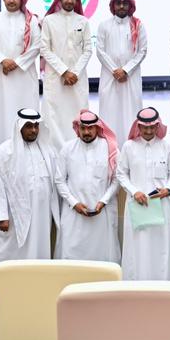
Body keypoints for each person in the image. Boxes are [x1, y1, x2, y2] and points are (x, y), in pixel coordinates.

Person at [117, 107, 170, 281]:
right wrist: (134, 191)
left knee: (162, 248)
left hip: (162, 205)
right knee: (138, 248)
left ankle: (164, 286)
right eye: (145, 127)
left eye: (152, 127)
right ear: (138, 126)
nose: (148, 131)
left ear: (157, 126)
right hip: (137, 205)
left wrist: (168, 189)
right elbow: (121, 174)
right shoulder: (129, 146)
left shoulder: (167, 146)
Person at [0, 107, 60, 262]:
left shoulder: (48, 151)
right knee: (16, 253)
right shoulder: (4, 152)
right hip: (15, 214)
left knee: (40, 249)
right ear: (19, 127)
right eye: (28, 126)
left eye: (36, 126)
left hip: (42, 214)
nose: (33, 130)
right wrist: (2, 216)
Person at [55, 109, 120, 263]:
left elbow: (117, 180)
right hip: (73, 214)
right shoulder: (67, 148)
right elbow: (59, 180)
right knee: (71, 255)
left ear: (97, 127)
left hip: (101, 213)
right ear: (78, 128)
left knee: (102, 256)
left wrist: (103, 201)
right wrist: (74, 203)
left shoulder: (110, 149)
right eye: (83, 128)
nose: (86, 132)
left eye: (90, 128)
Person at [0, 0, 43, 145]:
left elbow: (37, 45)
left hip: (24, 76)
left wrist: (17, 63)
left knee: (24, 108)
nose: (11, 0)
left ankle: (26, 144)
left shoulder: (31, 20)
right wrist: (2, 60)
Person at [39, 0, 94, 144]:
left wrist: (74, 73)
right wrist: (64, 71)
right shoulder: (49, 20)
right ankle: (55, 149)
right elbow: (44, 49)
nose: (69, 1)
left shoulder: (83, 21)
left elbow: (88, 49)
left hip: (78, 78)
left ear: (77, 0)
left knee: (77, 111)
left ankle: (77, 145)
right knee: (54, 114)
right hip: (55, 77)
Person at [96, 0, 148, 135]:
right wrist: (115, 70)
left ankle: (131, 143)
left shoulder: (138, 25)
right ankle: (110, 145)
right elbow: (100, 51)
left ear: (130, 6)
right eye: (118, 3)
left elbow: (142, 51)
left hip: (131, 77)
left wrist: (125, 70)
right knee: (109, 111)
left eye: (125, 3)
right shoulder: (104, 25)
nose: (121, 6)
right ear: (113, 5)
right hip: (109, 76)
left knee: (131, 111)